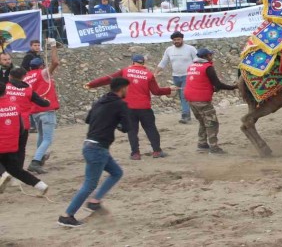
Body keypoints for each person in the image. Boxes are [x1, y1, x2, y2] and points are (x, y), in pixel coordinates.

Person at [58, 77, 132, 228]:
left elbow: (88, 120)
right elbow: (127, 127)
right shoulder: (120, 104)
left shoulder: (99, 101)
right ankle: (67, 215)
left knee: (116, 172)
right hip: (98, 149)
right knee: (89, 184)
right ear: (122, 88)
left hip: (90, 145)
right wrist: (115, 122)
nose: (128, 91)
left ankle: (94, 201)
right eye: (127, 88)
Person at [85, 55, 176, 160]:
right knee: (151, 129)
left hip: (128, 107)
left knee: (132, 131)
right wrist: (169, 89)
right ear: (143, 63)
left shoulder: (125, 71)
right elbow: (156, 91)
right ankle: (157, 151)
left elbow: (108, 79)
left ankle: (135, 154)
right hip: (144, 107)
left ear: (132, 62)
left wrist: (91, 84)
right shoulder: (149, 74)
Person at [184, 48, 238, 154]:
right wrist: (234, 87)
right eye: (210, 55)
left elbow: (199, 82)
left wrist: (212, 89)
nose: (211, 56)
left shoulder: (191, 66)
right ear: (206, 56)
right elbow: (217, 84)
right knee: (212, 123)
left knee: (202, 121)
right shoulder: (208, 67)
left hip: (190, 98)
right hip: (202, 99)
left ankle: (202, 143)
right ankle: (214, 147)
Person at [0, 81, 49, 196]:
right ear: (6, 91)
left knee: (8, 170)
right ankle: (40, 185)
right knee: (16, 170)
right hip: (12, 144)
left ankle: (3, 174)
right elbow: (21, 128)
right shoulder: (15, 106)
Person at [26, 40, 61, 174]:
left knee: (41, 136)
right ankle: (35, 161)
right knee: (47, 138)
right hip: (46, 109)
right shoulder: (43, 73)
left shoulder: (27, 77)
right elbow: (55, 63)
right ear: (41, 66)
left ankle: (39, 160)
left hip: (34, 111)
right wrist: (53, 47)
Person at [156, 31, 197, 124]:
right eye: (174, 40)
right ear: (172, 41)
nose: (176, 41)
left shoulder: (190, 49)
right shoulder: (169, 50)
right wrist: (155, 73)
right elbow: (163, 62)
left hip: (189, 75)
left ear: (182, 39)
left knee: (184, 95)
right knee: (181, 95)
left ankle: (185, 116)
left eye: (178, 39)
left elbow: (197, 61)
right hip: (176, 77)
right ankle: (190, 112)